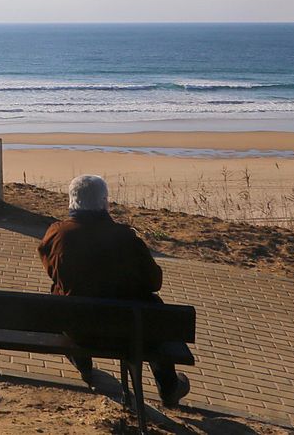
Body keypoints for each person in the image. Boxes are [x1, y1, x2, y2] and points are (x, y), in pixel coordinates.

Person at [36, 173, 190, 407]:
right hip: (130, 333)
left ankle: (83, 365)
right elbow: (154, 282)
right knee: (152, 310)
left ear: (71, 201)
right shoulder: (125, 238)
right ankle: (168, 386)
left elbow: (52, 272)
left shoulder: (57, 234)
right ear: (104, 202)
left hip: (79, 331)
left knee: (58, 294)